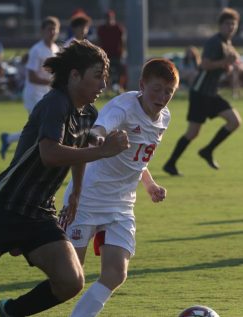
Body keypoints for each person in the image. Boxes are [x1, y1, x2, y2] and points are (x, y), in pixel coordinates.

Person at [0, 40, 130, 317]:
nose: (103, 86)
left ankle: (11, 312)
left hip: (39, 211)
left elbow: (80, 154)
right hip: (6, 205)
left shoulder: (88, 115)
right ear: (74, 75)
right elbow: (50, 154)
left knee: (71, 281)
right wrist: (103, 151)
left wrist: (77, 193)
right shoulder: (55, 103)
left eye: (105, 78)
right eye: (97, 77)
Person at [60, 58, 179, 317]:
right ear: (142, 85)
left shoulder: (165, 117)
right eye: (156, 89)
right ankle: (15, 308)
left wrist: (149, 185)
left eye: (169, 92)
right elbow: (97, 131)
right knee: (69, 277)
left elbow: (138, 159)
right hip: (87, 197)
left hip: (122, 203)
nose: (162, 97)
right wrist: (100, 140)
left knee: (115, 274)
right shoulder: (123, 108)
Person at [163, 8, 242, 176]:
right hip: (200, 92)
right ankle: (170, 164)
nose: (231, 27)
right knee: (193, 132)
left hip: (211, 93)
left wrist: (226, 67)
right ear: (220, 25)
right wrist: (224, 62)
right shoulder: (214, 42)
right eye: (228, 24)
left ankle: (207, 150)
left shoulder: (227, 44)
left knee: (234, 121)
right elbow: (204, 64)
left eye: (233, 25)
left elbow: (221, 67)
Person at [0, 16, 60, 159]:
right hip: (33, 93)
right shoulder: (36, 50)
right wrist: (52, 83)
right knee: (42, 126)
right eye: (49, 29)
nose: (51, 32)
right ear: (42, 31)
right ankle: (31, 155)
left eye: (54, 29)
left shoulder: (56, 49)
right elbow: (32, 77)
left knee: (38, 128)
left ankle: (8, 139)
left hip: (46, 93)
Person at [97, 10, 126, 94]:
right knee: (105, 72)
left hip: (117, 55)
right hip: (105, 55)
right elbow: (99, 41)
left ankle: (120, 87)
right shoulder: (101, 29)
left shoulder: (118, 28)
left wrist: (123, 52)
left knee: (121, 71)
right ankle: (107, 88)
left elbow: (122, 41)